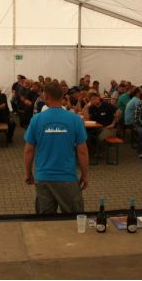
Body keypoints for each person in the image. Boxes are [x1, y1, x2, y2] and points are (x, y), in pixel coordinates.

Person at [24, 82, 89, 214]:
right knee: (72, 218)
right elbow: (82, 151)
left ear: (46, 96)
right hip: (67, 178)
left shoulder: (36, 119)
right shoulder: (75, 119)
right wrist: (85, 175)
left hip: (43, 177)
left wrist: (28, 173)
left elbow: (29, 150)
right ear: (62, 96)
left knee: (45, 221)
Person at [85, 92, 119, 162]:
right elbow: (88, 119)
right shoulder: (91, 108)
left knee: (100, 138)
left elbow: (118, 111)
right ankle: (97, 151)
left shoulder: (106, 105)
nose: (94, 101)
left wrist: (113, 124)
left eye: (95, 98)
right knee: (85, 136)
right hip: (96, 128)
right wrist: (87, 108)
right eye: (91, 100)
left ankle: (99, 152)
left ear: (99, 98)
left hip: (109, 128)